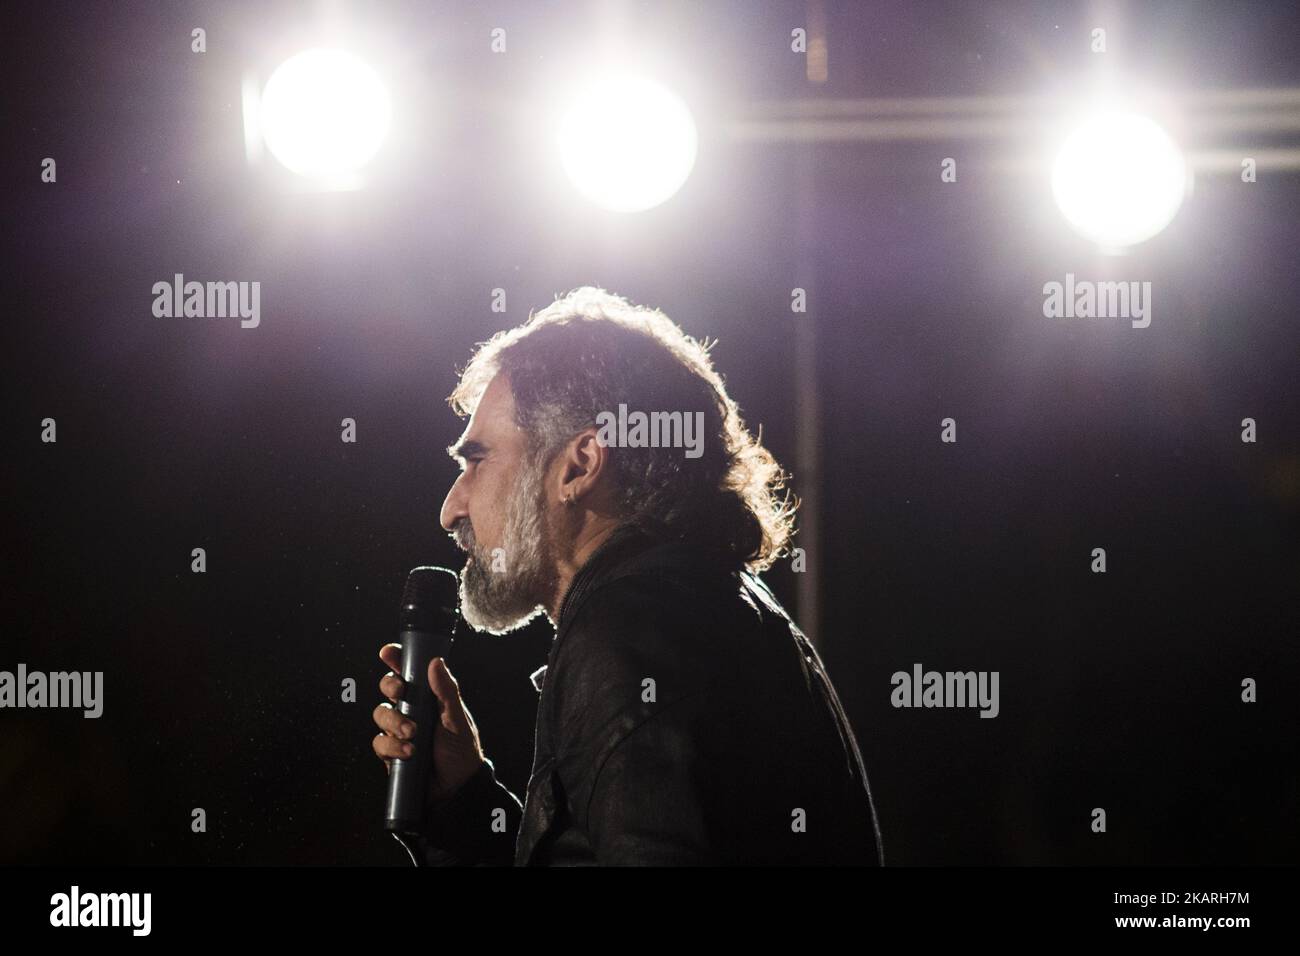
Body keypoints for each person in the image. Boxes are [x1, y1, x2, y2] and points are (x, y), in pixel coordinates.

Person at [371, 287, 883, 865]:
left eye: (477, 460)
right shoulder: (704, 611)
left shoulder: (631, 632)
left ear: (581, 465)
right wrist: (464, 807)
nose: (451, 508)